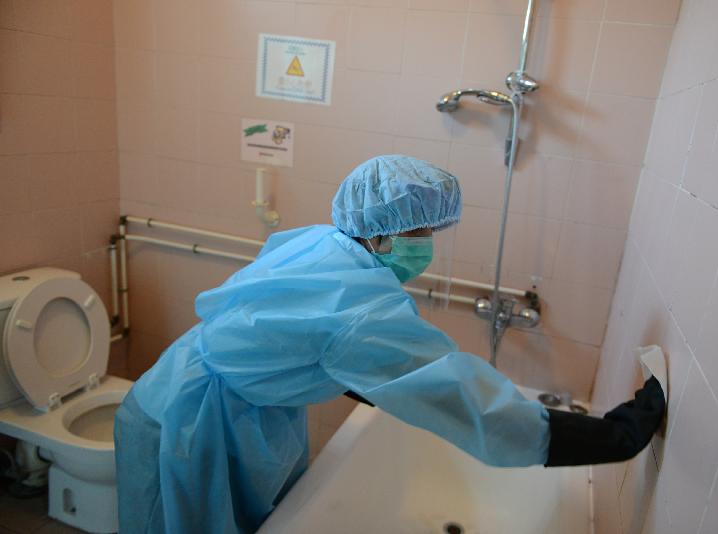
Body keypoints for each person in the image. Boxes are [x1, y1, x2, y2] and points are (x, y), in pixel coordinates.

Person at [114, 155, 667, 534]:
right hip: (192, 426)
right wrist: (608, 437)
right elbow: (463, 399)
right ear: (379, 232)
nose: (428, 246)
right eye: (421, 232)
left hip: (188, 388)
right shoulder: (362, 309)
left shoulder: (323, 241)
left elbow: (291, 334)